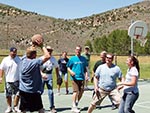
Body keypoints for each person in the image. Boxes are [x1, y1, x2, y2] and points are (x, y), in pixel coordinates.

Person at [19, 34, 50, 113]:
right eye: (35, 54)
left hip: (23, 90)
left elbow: (28, 53)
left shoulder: (23, 59)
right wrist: (42, 45)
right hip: (33, 90)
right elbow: (47, 56)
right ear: (33, 55)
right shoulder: (34, 63)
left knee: (23, 109)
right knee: (40, 109)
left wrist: (33, 45)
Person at [67, 45, 88, 113]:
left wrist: (87, 75)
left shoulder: (84, 59)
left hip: (82, 77)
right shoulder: (72, 59)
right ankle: (74, 106)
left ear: (81, 51)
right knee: (75, 91)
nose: (78, 51)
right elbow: (68, 67)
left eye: (79, 50)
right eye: (77, 50)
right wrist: (71, 72)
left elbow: (85, 68)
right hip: (74, 78)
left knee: (81, 91)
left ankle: (76, 102)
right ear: (75, 50)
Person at [0, 47, 21, 113]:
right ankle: (9, 107)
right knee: (8, 95)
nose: (14, 54)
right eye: (13, 52)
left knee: (17, 94)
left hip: (17, 80)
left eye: (15, 52)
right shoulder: (5, 59)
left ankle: (15, 107)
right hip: (8, 80)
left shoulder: (19, 59)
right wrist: (0, 77)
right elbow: (1, 69)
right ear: (10, 52)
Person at [40, 46, 60, 113]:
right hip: (41, 78)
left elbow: (57, 67)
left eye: (50, 50)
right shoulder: (41, 58)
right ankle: (39, 107)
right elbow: (37, 68)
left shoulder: (53, 59)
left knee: (51, 92)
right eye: (48, 50)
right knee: (40, 92)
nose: (49, 51)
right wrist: (42, 74)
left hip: (49, 77)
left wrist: (58, 77)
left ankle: (52, 107)